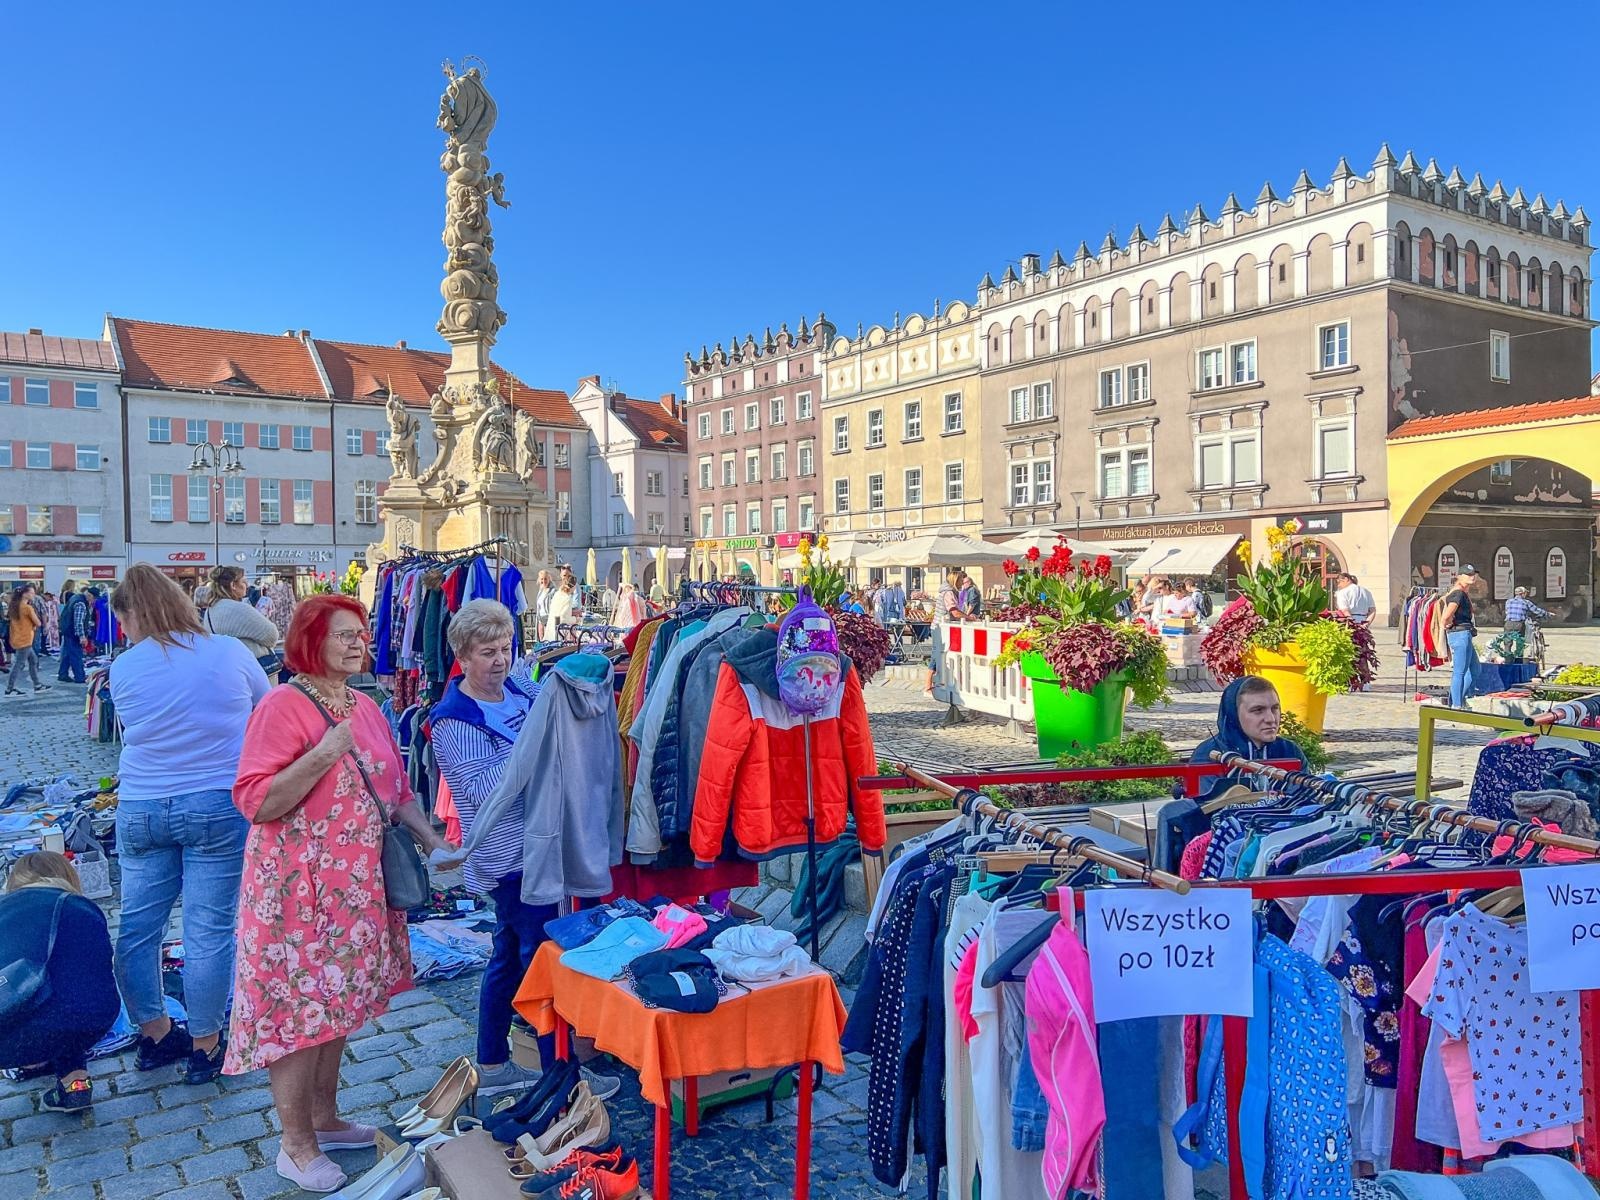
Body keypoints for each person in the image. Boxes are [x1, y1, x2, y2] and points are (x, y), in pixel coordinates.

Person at [225, 594, 450, 1193]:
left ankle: (324, 1118)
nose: (359, 643)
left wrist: (434, 841)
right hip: (294, 894)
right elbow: (255, 800)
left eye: (362, 634)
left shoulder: (366, 706)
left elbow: (398, 792)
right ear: (310, 642)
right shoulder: (282, 705)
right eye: (345, 635)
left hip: (355, 890)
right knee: (298, 1014)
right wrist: (323, 753)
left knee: (336, 1006)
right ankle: (294, 1146)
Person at [108, 564, 270, 1085]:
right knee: (207, 930)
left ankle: (154, 1034)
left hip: (141, 806)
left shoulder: (124, 668)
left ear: (132, 615)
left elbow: (130, 728)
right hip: (216, 802)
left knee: (137, 929)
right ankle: (205, 1044)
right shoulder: (228, 651)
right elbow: (266, 712)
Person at [0, 852, 119, 1113]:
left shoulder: (5, 912)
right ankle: (75, 1084)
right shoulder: (83, 908)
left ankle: (32, 1060)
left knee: (43, 1006)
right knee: (67, 996)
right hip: (93, 1020)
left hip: (13, 1029)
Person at [1190, 676, 1309, 803]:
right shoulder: (1207, 755)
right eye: (1258, 710)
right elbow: (1205, 812)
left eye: (1275, 708)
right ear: (1234, 714)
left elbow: (1306, 801)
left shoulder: (1290, 752)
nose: (1271, 719)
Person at [202, 565, 284, 672]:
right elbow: (272, 635)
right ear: (233, 585)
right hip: (253, 668)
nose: (247, 585)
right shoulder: (238, 609)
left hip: (229, 667)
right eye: (243, 581)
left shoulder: (211, 609)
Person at [1442, 565, 1481, 708]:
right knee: (1460, 671)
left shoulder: (1462, 593)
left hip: (1465, 633)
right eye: (1467, 574)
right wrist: (1446, 624)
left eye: (1473, 574)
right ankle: (1456, 705)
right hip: (1460, 634)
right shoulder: (1457, 593)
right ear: (1459, 576)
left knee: (1475, 669)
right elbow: (1446, 615)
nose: (1472, 576)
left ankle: (1458, 698)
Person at [5, 584, 47, 695]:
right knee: (19, 664)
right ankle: (10, 688)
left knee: (33, 660)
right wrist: (33, 625)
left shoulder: (14, 606)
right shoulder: (27, 608)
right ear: (25, 594)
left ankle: (37, 684)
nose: (33, 595)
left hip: (17, 638)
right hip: (25, 639)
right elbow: (38, 622)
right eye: (32, 593)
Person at [57, 580, 91, 683]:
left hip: (67, 630)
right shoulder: (81, 603)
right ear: (90, 596)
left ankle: (62, 674)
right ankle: (79, 677)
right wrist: (82, 636)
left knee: (67, 654)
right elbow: (78, 621)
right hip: (73, 633)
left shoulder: (74, 598)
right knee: (76, 655)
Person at [544, 575, 577, 641]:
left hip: (551, 629)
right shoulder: (568, 598)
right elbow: (563, 618)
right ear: (574, 586)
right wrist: (576, 619)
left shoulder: (557, 594)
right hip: (559, 634)